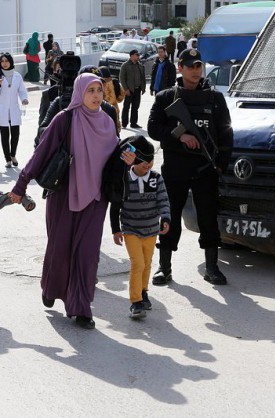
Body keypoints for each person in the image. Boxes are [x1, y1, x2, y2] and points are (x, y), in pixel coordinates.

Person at [8, 73, 123, 329]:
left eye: (99, 90)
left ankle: (80, 308)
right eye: (90, 90)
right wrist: (20, 184)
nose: (95, 95)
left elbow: (115, 160)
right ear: (80, 92)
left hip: (95, 199)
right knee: (59, 250)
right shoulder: (65, 119)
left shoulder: (107, 122)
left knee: (87, 255)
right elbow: (41, 154)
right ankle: (51, 287)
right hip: (64, 195)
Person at [147, 48, 233, 286]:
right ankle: (164, 267)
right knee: (170, 216)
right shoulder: (166, 97)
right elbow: (153, 128)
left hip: (206, 168)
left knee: (208, 217)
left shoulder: (215, 99)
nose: (196, 71)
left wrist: (221, 166)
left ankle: (212, 266)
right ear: (180, 68)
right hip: (176, 167)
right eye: (190, 66)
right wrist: (180, 136)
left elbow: (226, 132)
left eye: (198, 66)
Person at [110, 135, 170, 318]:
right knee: (138, 263)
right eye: (144, 161)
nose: (148, 164)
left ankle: (144, 292)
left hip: (151, 230)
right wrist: (116, 229)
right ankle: (135, 302)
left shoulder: (156, 179)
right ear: (133, 160)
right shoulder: (124, 179)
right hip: (131, 229)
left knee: (147, 263)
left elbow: (163, 200)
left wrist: (165, 218)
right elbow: (115, 205)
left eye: (151, 160)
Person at [0, 53, 29, 168]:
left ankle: (13, 155)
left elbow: (22, 90)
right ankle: (7, 159)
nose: (4, 63)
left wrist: (24, 99)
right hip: (2, 111)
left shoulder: (17, 76)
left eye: (6, 61)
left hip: (14, 110)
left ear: (11, 62)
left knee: (15, 135)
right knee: (4, 136)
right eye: (2, 61)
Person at [119, 49, 146, 129]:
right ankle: (124, 123)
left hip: (138, 90)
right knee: (126, 107)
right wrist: (126, 89)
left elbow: (143, 78)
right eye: (137, 55)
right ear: (131, 56)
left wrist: (143, 88)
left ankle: (133, 123)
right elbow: (122, 78)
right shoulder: (125, 65)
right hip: (129, 90)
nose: (138, 56)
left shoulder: (140, 66)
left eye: (138, 55)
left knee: (135, 107)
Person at [99, 65, 125, 133]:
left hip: (103, 112)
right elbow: (120, 98)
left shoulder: (99, 84)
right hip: (115, 111)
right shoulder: (115, 82)